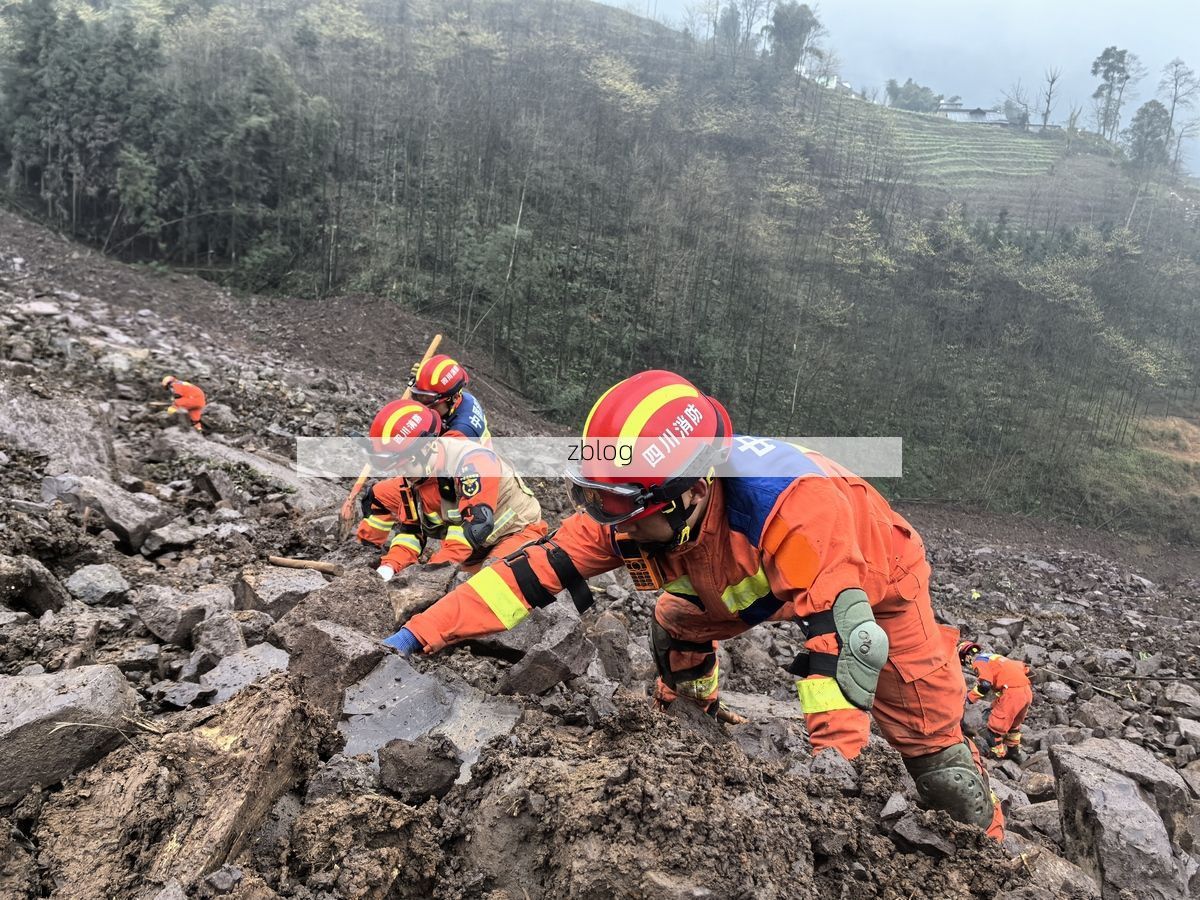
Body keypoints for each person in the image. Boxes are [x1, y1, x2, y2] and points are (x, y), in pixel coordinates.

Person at [382, 370, 1004, 840]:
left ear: (692, 491)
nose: (608, 523)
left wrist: (827, 786)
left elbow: (841, 650)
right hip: (734, 573)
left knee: (936, 755)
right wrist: (418, 636)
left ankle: (992, 855)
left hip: (873, 582)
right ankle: (692, 716)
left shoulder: (799, 510)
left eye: (623, 508)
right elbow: (522, 579)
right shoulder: (634, 503)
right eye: (598, 498)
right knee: (676, 626)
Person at [356, 398, 545, 581]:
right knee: (454, 592)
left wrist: (428, 574)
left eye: (404, 465)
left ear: (426, 448)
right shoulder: (413, 478)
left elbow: (477, 526)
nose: (401, 473)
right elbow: (410, 534)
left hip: (517, 533)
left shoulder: (473, 463)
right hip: (475, 551)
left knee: (489, 586)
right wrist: (388, 567)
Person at [959, 640, 1033, 762]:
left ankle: (998, 757)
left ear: (967, 657)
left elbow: (985, 685)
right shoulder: (994, 658)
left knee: (993, 729)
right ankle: (1014, 752)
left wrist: (969, 698)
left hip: (1012, 694)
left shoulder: (979, 662)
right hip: (1026, 692)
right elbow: (1026, 669)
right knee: (1013, 725)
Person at [409, 354, 490, 445]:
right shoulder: (460, 398)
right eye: (418, 395)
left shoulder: (460, 433)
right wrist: (423, 379)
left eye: (428, 399)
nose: (420, 405)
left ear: (454, 398)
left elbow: (430, 456)